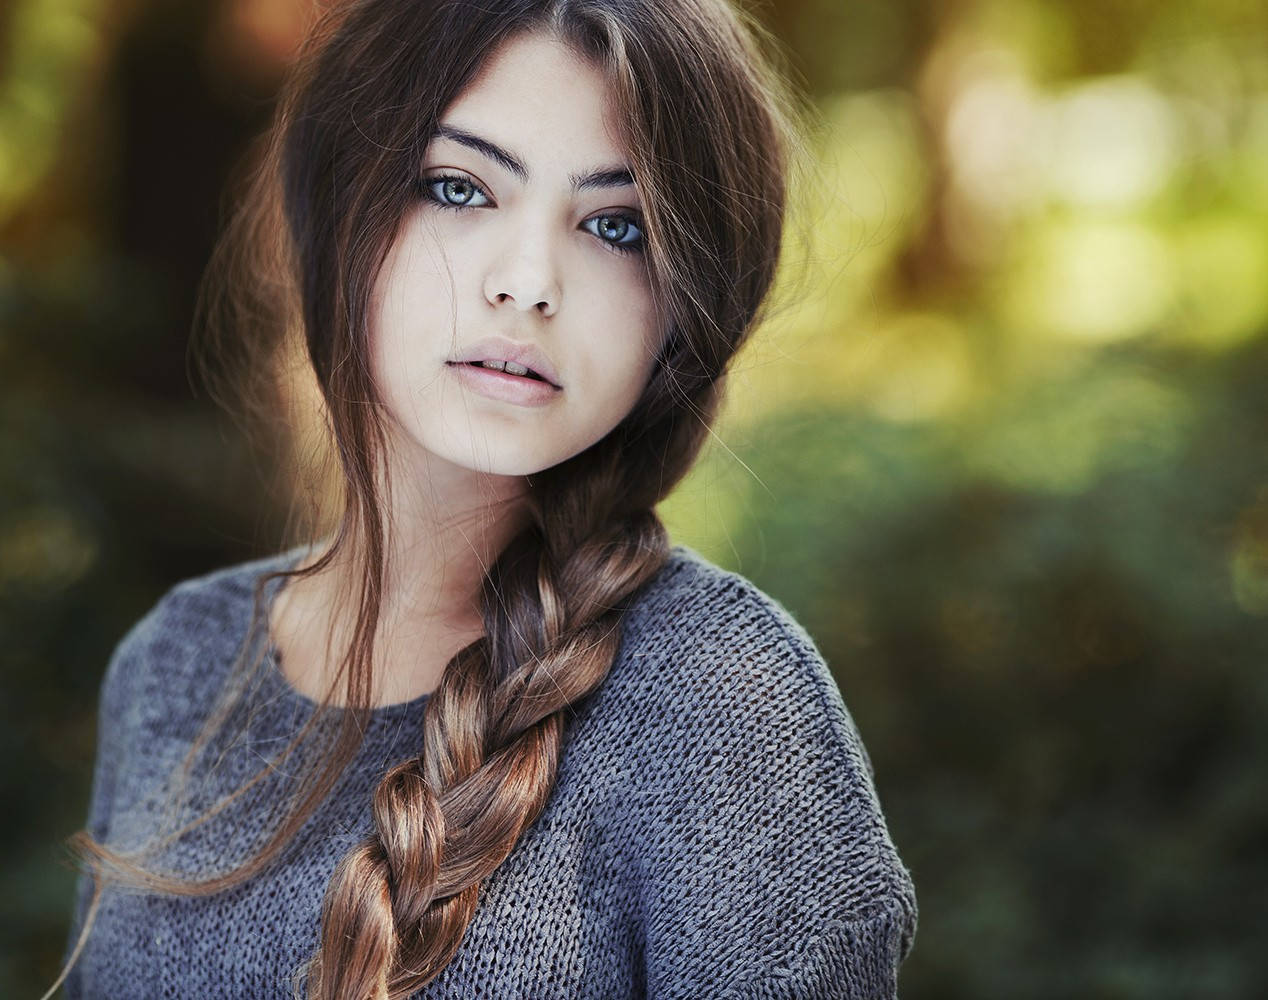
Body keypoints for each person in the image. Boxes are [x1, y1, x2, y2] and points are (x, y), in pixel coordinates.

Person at [48, 1, 917, 997]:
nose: (529, 281)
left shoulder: (720, 702)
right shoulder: (176, 666)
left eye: (615, 225)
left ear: (682, 306)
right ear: (338, 207)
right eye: (460, 187)